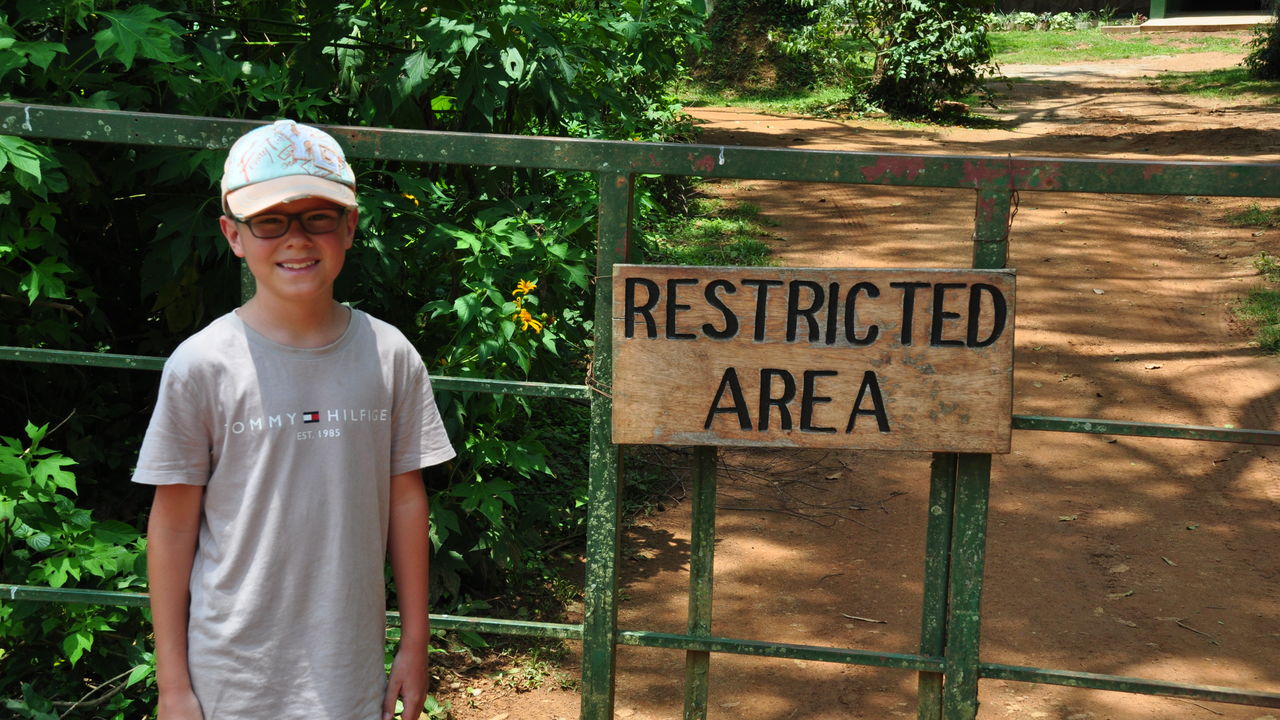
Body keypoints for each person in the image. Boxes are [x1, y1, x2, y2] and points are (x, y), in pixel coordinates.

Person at [133, 119, 456, 720]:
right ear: (234, 235)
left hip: (349, 674)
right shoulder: (201, 366)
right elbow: (173, 528)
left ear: (350, 226)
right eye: (270, 221)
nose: (296, 239)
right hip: (229, 678)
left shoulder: (390, 355)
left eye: (318, 217)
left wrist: (414, 643)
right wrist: (172, 686)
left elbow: (407, 502)